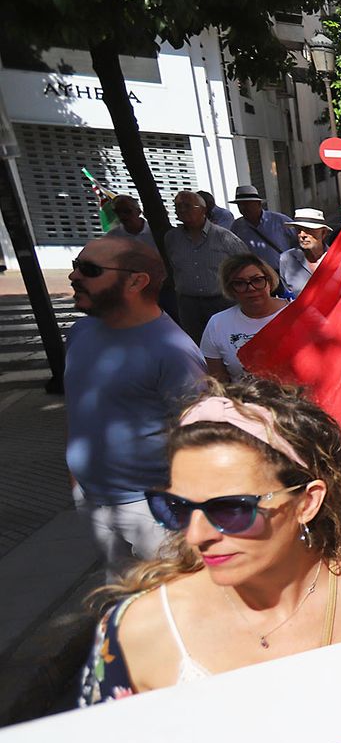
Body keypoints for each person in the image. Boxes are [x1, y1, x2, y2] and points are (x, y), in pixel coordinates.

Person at [78, 378, 341, 705]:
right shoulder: (137, 633)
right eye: (175, 506)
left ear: (307, 502)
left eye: (229, 509)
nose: (195, 535)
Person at [65, 236, 207, 575]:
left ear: (136, 281)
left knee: (176, 600)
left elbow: (200, 437)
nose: (74, 277)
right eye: (75, 267)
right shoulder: (79, 333)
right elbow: (80, 411)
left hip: (153, 511)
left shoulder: (173, 352)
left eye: (89, 270)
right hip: (93, 500)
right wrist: (75, 479)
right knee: (126, 598)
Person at [165, 189, 250, 341]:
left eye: (187, 206)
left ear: (203, 209)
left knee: (226, 341)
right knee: (196, 345)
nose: (182, 210)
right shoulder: (172, 238)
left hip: (221, 302)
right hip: (188, 304)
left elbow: (246, 264)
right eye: (178, 207)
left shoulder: (224, 236)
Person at [200, 254, 288, 382]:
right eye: (240, 283)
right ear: (231, 289)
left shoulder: (298, 314)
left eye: (257, 280)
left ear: (269, 281)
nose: (251, 288)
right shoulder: (217, 324)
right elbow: (218, 383)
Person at [228, 184, 297, 261]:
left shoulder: (279, 221)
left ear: (258, 204)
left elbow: (298, 241)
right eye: (240, 205)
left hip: (282, 270)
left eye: (247, 204)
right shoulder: (237, 226)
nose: (243, 208)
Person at [278, 208, 332, 297]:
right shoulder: (286, 259)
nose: (302, 235)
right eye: (298, 230)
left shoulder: (338, 259)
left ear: (323, 233)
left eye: (309, 230)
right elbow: (288, 295)